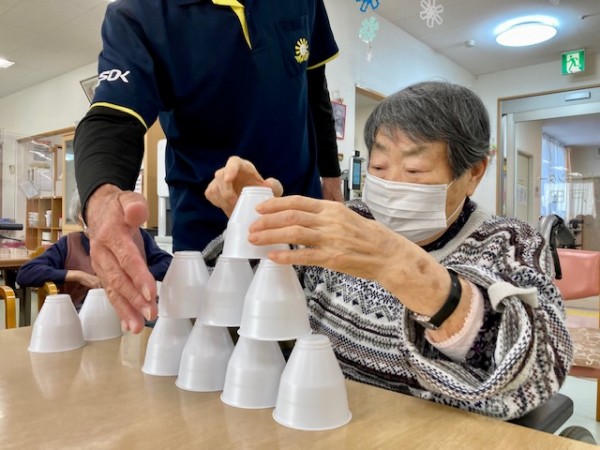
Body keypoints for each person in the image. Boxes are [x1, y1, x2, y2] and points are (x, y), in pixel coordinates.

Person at [203, 81, 573, 420]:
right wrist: (253, 220)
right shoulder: (346, 222)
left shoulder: (510, 244)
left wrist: (408, 272)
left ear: (474, 172)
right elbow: (246, 306)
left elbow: (540, 370)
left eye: (414, 170)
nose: (392, 183)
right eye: (379, 166)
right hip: (315, 417)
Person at [73, 0, 342, 331]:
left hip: (299, 215)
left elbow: (315, 87)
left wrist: (332, 181)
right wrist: (102, 199)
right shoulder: (139, 14)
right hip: (208, 234)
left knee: (310, 342)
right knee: (212, 348)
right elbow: (113, 118)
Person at [16, 192, 172, 309]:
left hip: (137, 309)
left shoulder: (138, 236)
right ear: (80, 218)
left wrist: (138, 275)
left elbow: (168, 264)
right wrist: (78, 276)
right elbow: (25, 273)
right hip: (87, 312)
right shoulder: (69, 244)